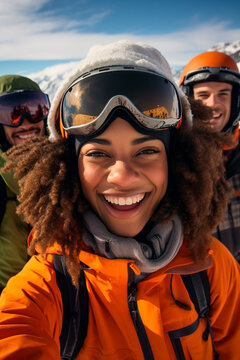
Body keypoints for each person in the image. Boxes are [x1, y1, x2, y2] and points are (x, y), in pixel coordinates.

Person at [0, 40, 239, 359]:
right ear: (70, 168)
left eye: (147, 151)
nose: (122, 176)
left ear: (176, 161)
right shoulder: (48, 283)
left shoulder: (210, 265)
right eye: (98, 153)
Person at [179, 51, 240, 262]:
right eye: (203, 95)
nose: (213, 104)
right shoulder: (174, 162)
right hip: (203, 284)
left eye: (223, 94)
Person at [0, 74, 50, 293]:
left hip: (58, 308)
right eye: (12, 114)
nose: (26, 123)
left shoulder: (66, 171)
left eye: (35, 109)